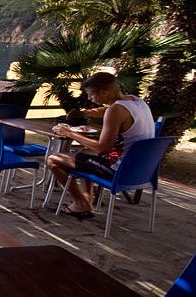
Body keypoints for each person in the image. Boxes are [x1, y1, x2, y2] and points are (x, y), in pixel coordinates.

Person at [47, 72, 154, 218]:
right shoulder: (136, 101)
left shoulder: (115, 110)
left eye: (91, 95)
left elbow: (102, 147)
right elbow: (108, 110)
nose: (90, 99)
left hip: (119, 171)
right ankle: (87, 199)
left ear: (103, 93)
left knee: (53, 160)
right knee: (85, 154)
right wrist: (84, 113)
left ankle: (80, 203)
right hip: (142, 170)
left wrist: (69, 133)